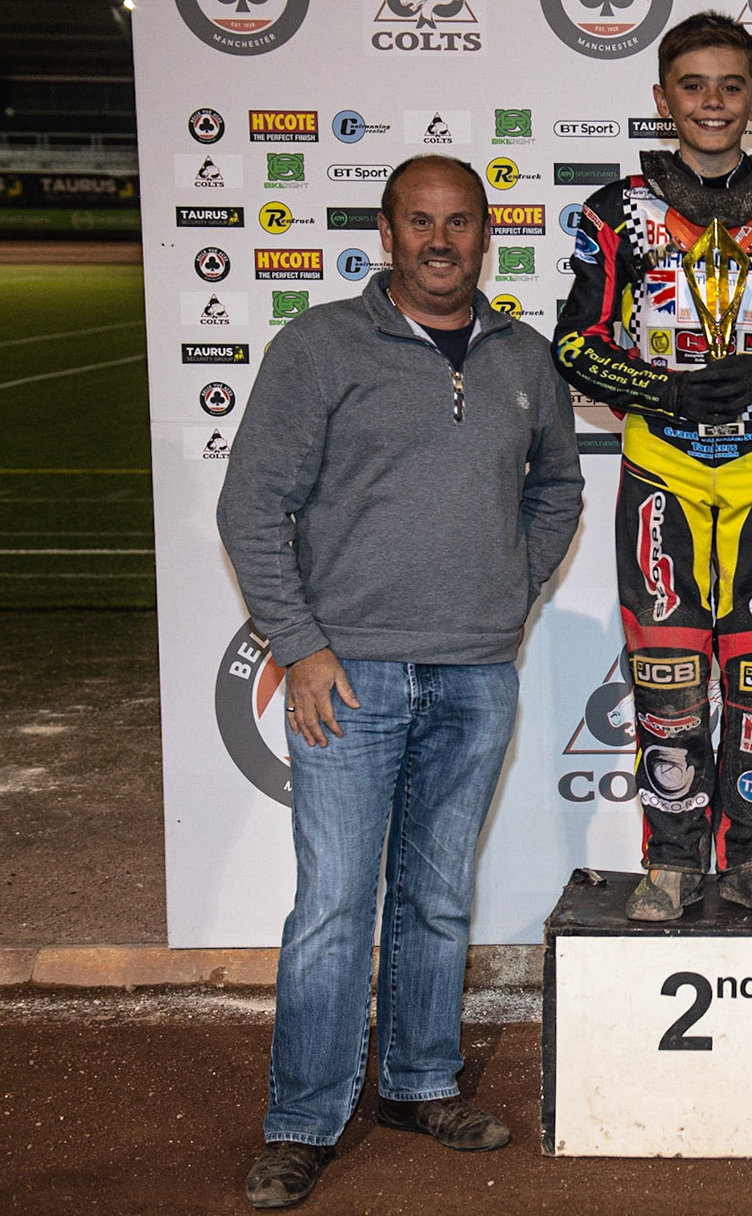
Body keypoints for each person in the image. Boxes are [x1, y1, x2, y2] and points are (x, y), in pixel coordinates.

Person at [218, 154, 584, 1208]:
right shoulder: (320, 346)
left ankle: (421, 1084)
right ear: (386, 233)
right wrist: (300, 645)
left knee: (435, 896)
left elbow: (557, 489)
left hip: (476, 673)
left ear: (486, 236)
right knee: (334, 903)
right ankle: (301, 1120)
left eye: (459, 222)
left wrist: (507, 596)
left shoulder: (524, 356)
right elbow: (251, 507)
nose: (439, 241)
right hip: (348, 675)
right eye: (419, 222)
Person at [554, 12, 752, 922]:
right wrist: (663, 389)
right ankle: (673, 859)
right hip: (663, 471)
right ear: (663, 99)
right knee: (668, 676)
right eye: (694, 86)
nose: (713, 103)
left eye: (731, 87)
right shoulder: (616, 211)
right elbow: (574, 344)